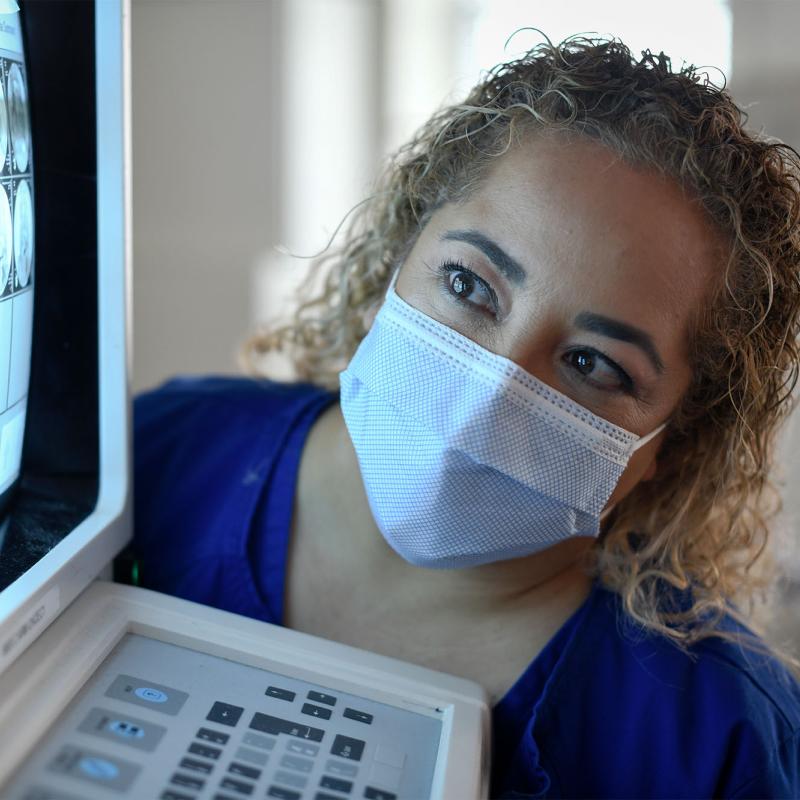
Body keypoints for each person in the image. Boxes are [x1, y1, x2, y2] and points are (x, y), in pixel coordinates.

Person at [132, 35, 800, 798]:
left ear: (673, 448)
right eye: (468, 284)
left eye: (592, 364)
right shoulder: (158, 458)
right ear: (398, 249)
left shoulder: (714, 745)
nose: (490, 396)